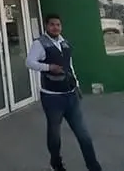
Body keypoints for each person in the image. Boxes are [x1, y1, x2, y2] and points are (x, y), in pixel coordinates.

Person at [26, 14, 102, 171]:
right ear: (46, 26)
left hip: (70, 95)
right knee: (55, 135)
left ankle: (94, 167)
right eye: (52, 24)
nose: (55, 27)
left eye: (58, 25)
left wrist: (77, 84)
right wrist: (48, 67)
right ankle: (56, 164)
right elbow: (29, 62)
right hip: (52, 97)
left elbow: (69, 66)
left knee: (83, 134)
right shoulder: (40, 44)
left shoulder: (64, 43)